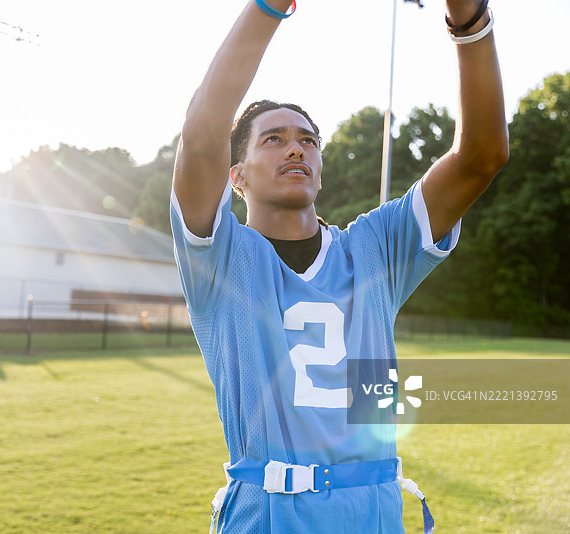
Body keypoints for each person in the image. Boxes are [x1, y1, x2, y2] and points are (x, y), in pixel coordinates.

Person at [170, 0, 508, 532]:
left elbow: (482, 156)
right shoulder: (220, 258)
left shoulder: (372, 250)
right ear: (236, 176)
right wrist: (268, 6)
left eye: (308, 139)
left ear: (321, 169)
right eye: (274, 139)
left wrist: (469, 22)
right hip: (268, 516)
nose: (296, 148)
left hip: (372, 515)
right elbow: (203, 131)